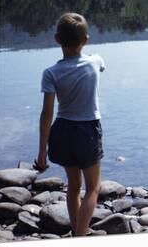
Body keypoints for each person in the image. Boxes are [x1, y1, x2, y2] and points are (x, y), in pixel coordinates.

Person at [35, 12, 106, 237]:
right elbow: (98, 64)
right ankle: (80, 236)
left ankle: (76, 230)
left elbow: (46, 114)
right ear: (86, 39)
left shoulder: (50, 73)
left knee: (73, 185)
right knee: (93, 187)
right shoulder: (96, 61)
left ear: (57, 40)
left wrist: (42, 151)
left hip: (62, 131)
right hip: (87, 130)